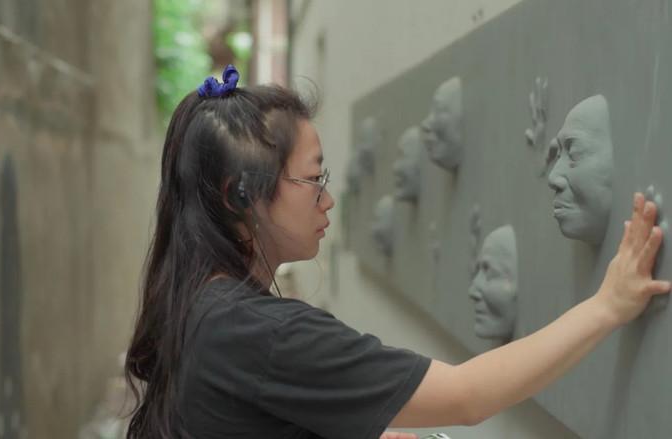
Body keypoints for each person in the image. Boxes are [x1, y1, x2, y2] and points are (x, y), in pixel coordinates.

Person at [124, 65, 670, 439]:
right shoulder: (260, 333)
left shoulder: (203, 305)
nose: (328, 198)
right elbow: (465, 396)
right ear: (241, 195)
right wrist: (607, 306)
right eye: (314, 179)